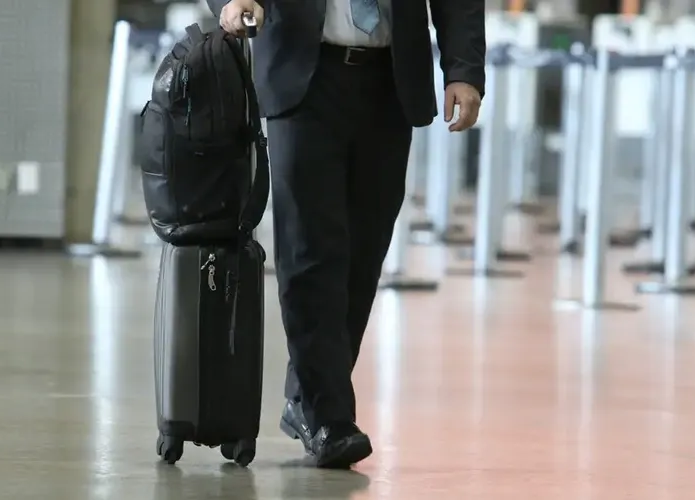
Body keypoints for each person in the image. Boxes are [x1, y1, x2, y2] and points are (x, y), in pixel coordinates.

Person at [206, 0, 485, 468]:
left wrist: (464, 68)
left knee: (363, 253)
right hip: (304, 73)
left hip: (390, 80)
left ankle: (306, 397)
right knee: (311, 250)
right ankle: (328, 416)